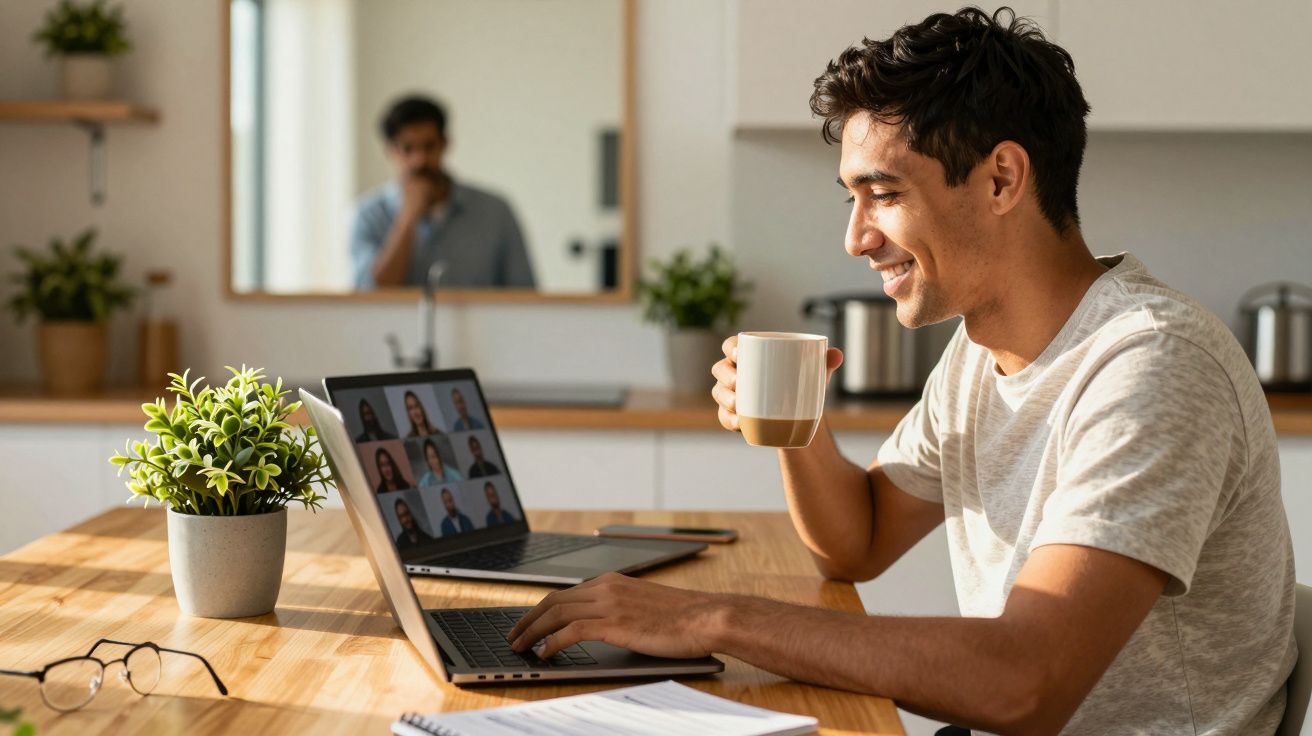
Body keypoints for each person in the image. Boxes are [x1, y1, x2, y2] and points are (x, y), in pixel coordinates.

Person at [506, 8, 1296, 735]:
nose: (856, 238)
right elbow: (860, 542)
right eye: (853, 198)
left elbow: (1026, 682)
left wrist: (710, 619)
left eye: (881, 194)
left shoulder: (1151, 365)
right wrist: (797, 422)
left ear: (1001, 178)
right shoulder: (980, 354)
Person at [350, 95, 536, 289]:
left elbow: (525, 294)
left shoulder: (495, 211)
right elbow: (371, 295)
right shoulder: (368, 215)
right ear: (390, 151)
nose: (420, 160)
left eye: (429, 146)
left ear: (445, 144)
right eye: (407, 148)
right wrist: (408, 217)